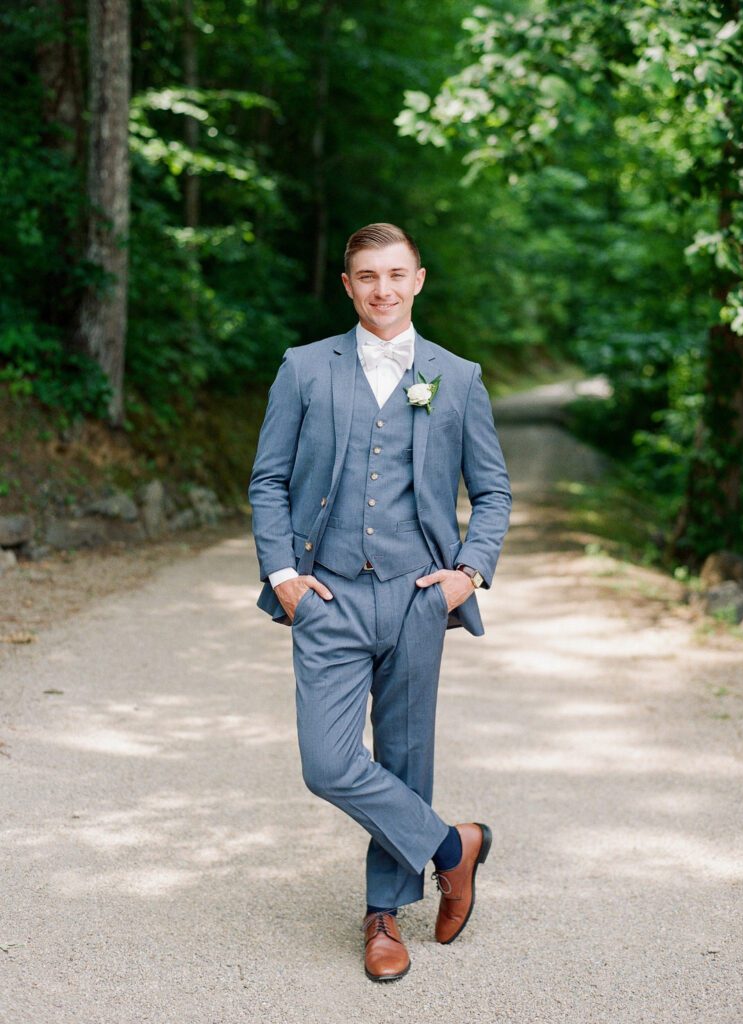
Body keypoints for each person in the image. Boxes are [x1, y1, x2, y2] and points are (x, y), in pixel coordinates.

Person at [248, 222, 511, 981]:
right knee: (328, 764)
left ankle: (384, 915)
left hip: (418, 595)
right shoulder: (303, 369)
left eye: (397, 275)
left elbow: (492, 491)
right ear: (348, 285)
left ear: (419, 280)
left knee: (404, 758)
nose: (383, 290)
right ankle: (452, 848)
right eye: (368, 276)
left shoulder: (456, 377)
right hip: (325, 595)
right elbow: (269, 479)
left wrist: (470, 572)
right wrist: (283, 577)